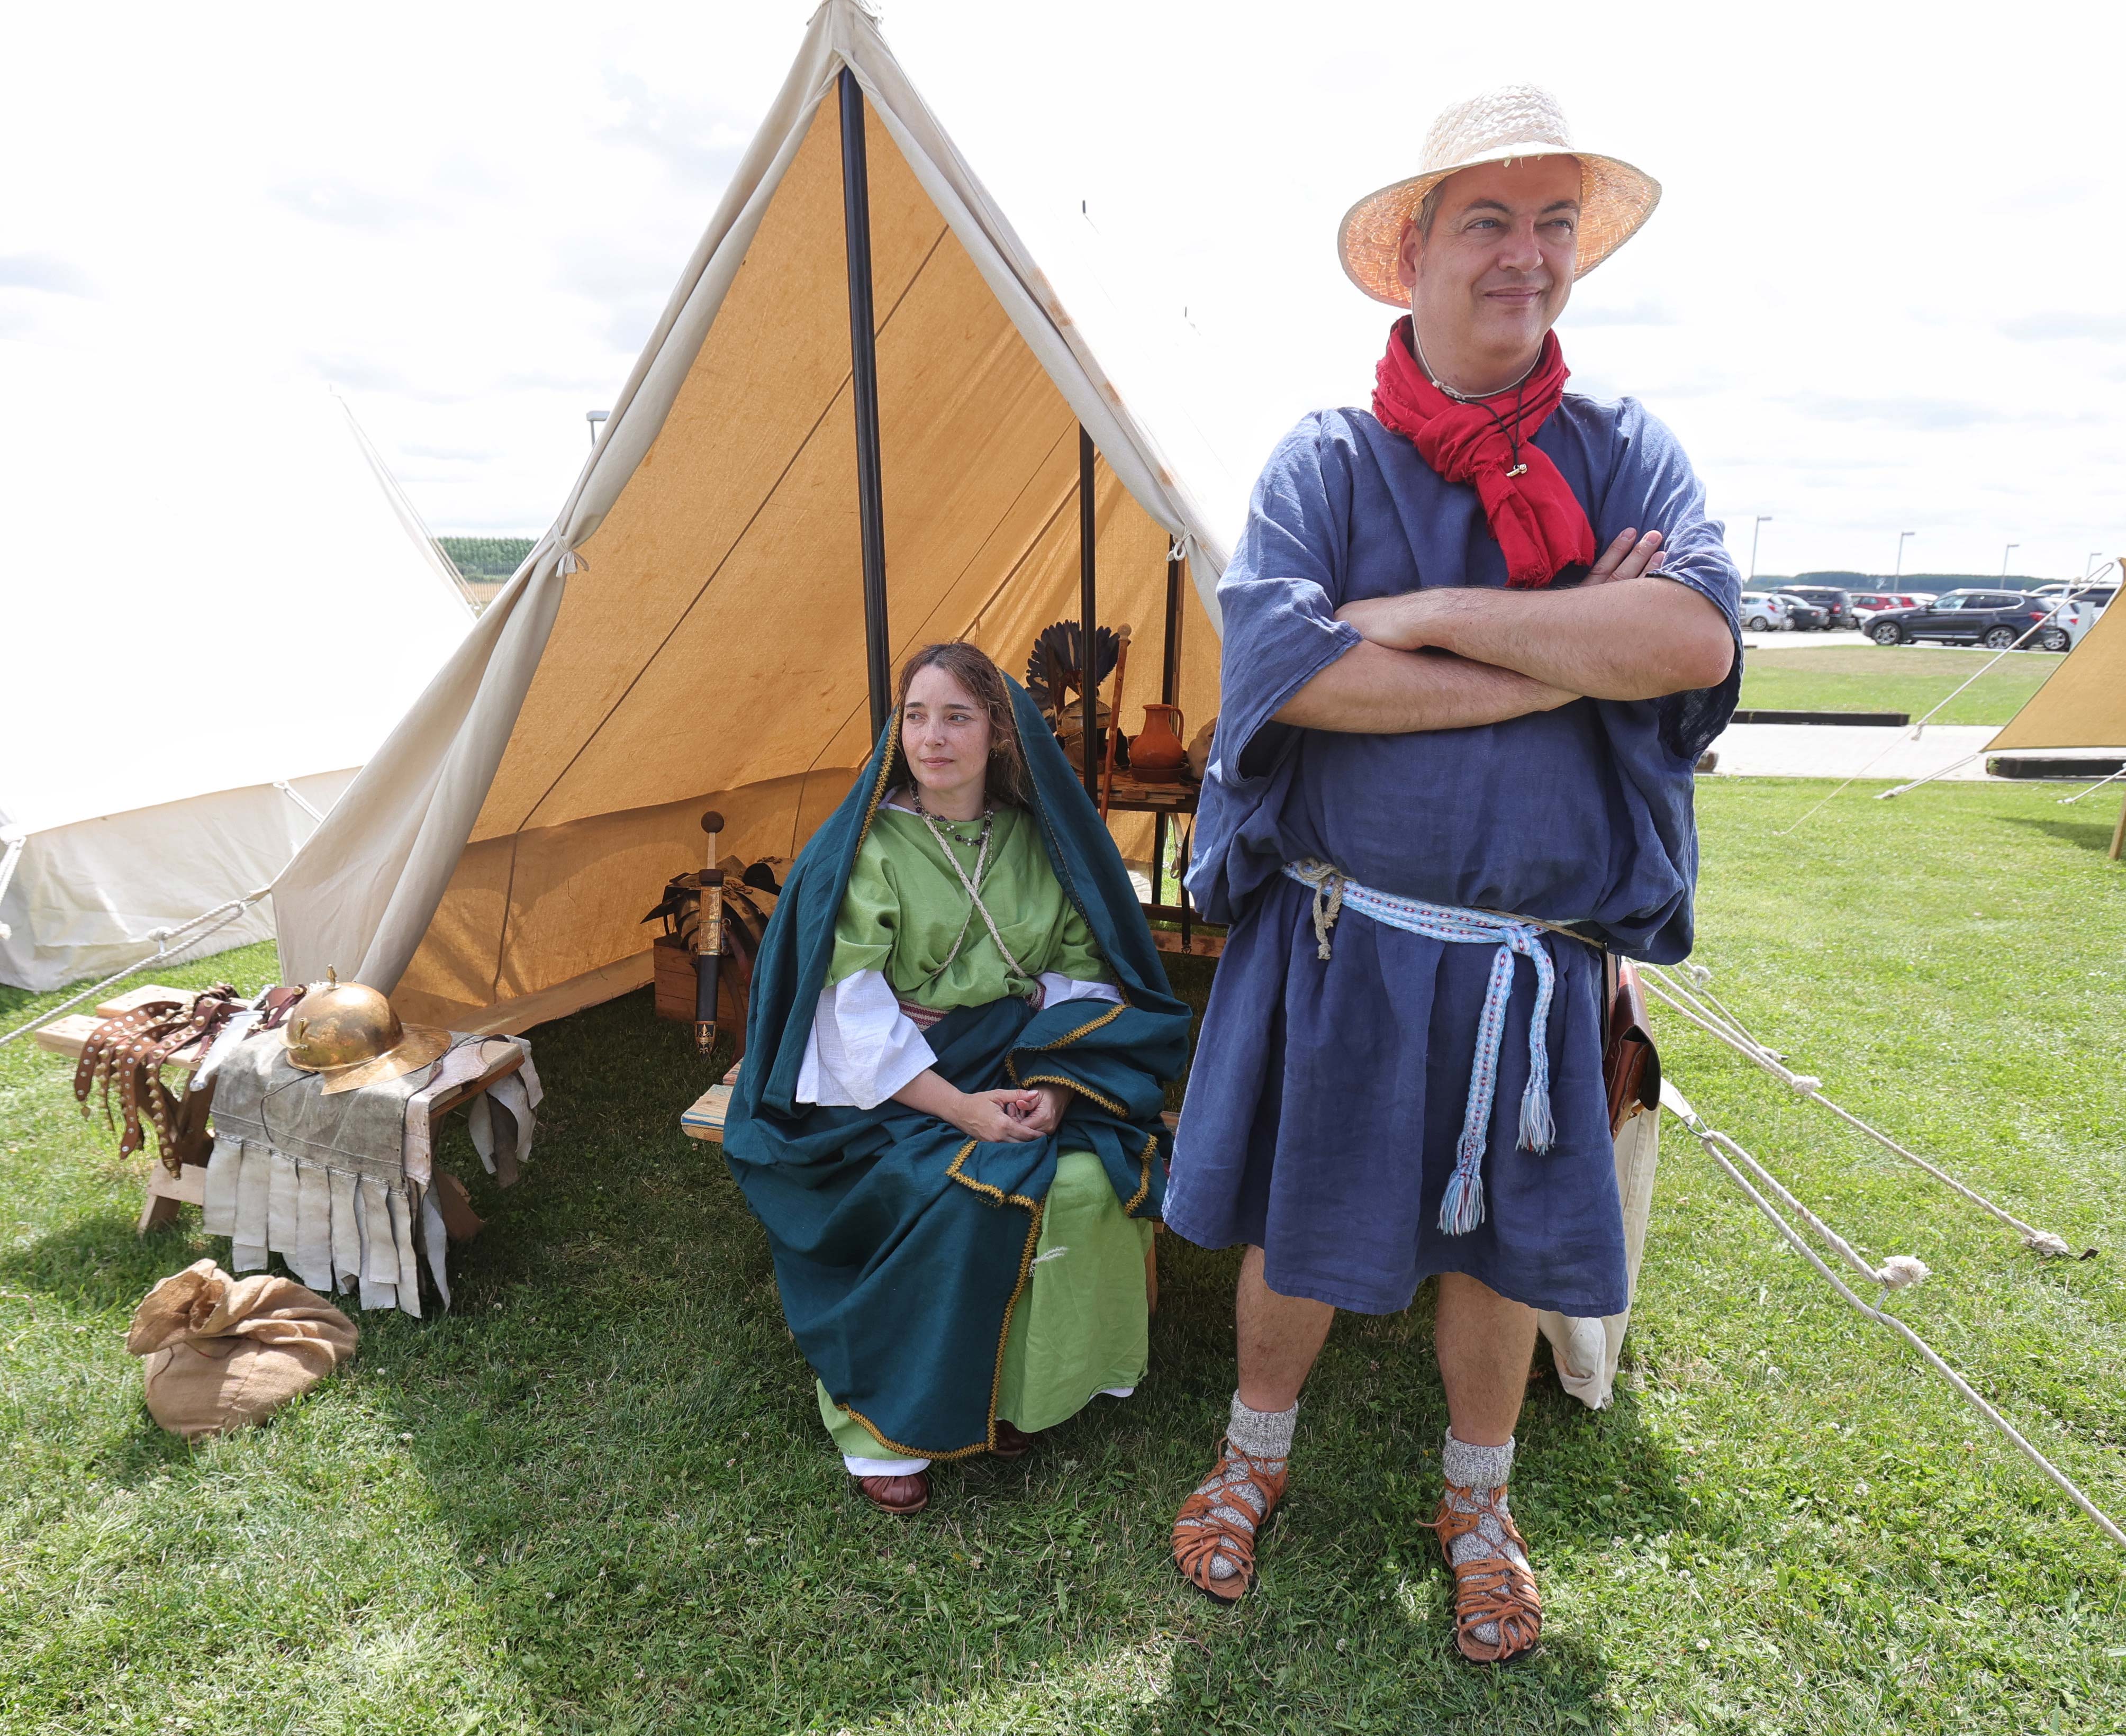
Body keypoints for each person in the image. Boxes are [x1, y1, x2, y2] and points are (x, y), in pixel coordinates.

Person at [1162, 86, 1741, 1661]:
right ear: (1412, 248)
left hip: (1530, 960)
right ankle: (1251, 1458)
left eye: (1554, 223)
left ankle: (1479, 1501)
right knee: (1303, 1225)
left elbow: (1686, 637)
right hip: (1350, 936)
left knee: (1498, 1249)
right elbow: (1292, 678)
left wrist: (1420, 611)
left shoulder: (1626, 455)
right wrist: (1569, 657)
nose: (1527, 258)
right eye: (1489, 220)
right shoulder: (1327, 460)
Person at [723, 643, 1191, 1516]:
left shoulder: (1038, 841)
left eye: (957, 717)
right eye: (915, 716)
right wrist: (961, 1109)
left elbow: (1084, 972)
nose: (931, 737)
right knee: (959, 1194)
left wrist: (1054, 1088)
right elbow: (849, 1013)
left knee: (1092, 1177)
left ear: (999, 736)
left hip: (1020, 1063)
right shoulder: (868, 850)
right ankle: (884, 1428)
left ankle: (1014, 1391)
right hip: (887, 1094)